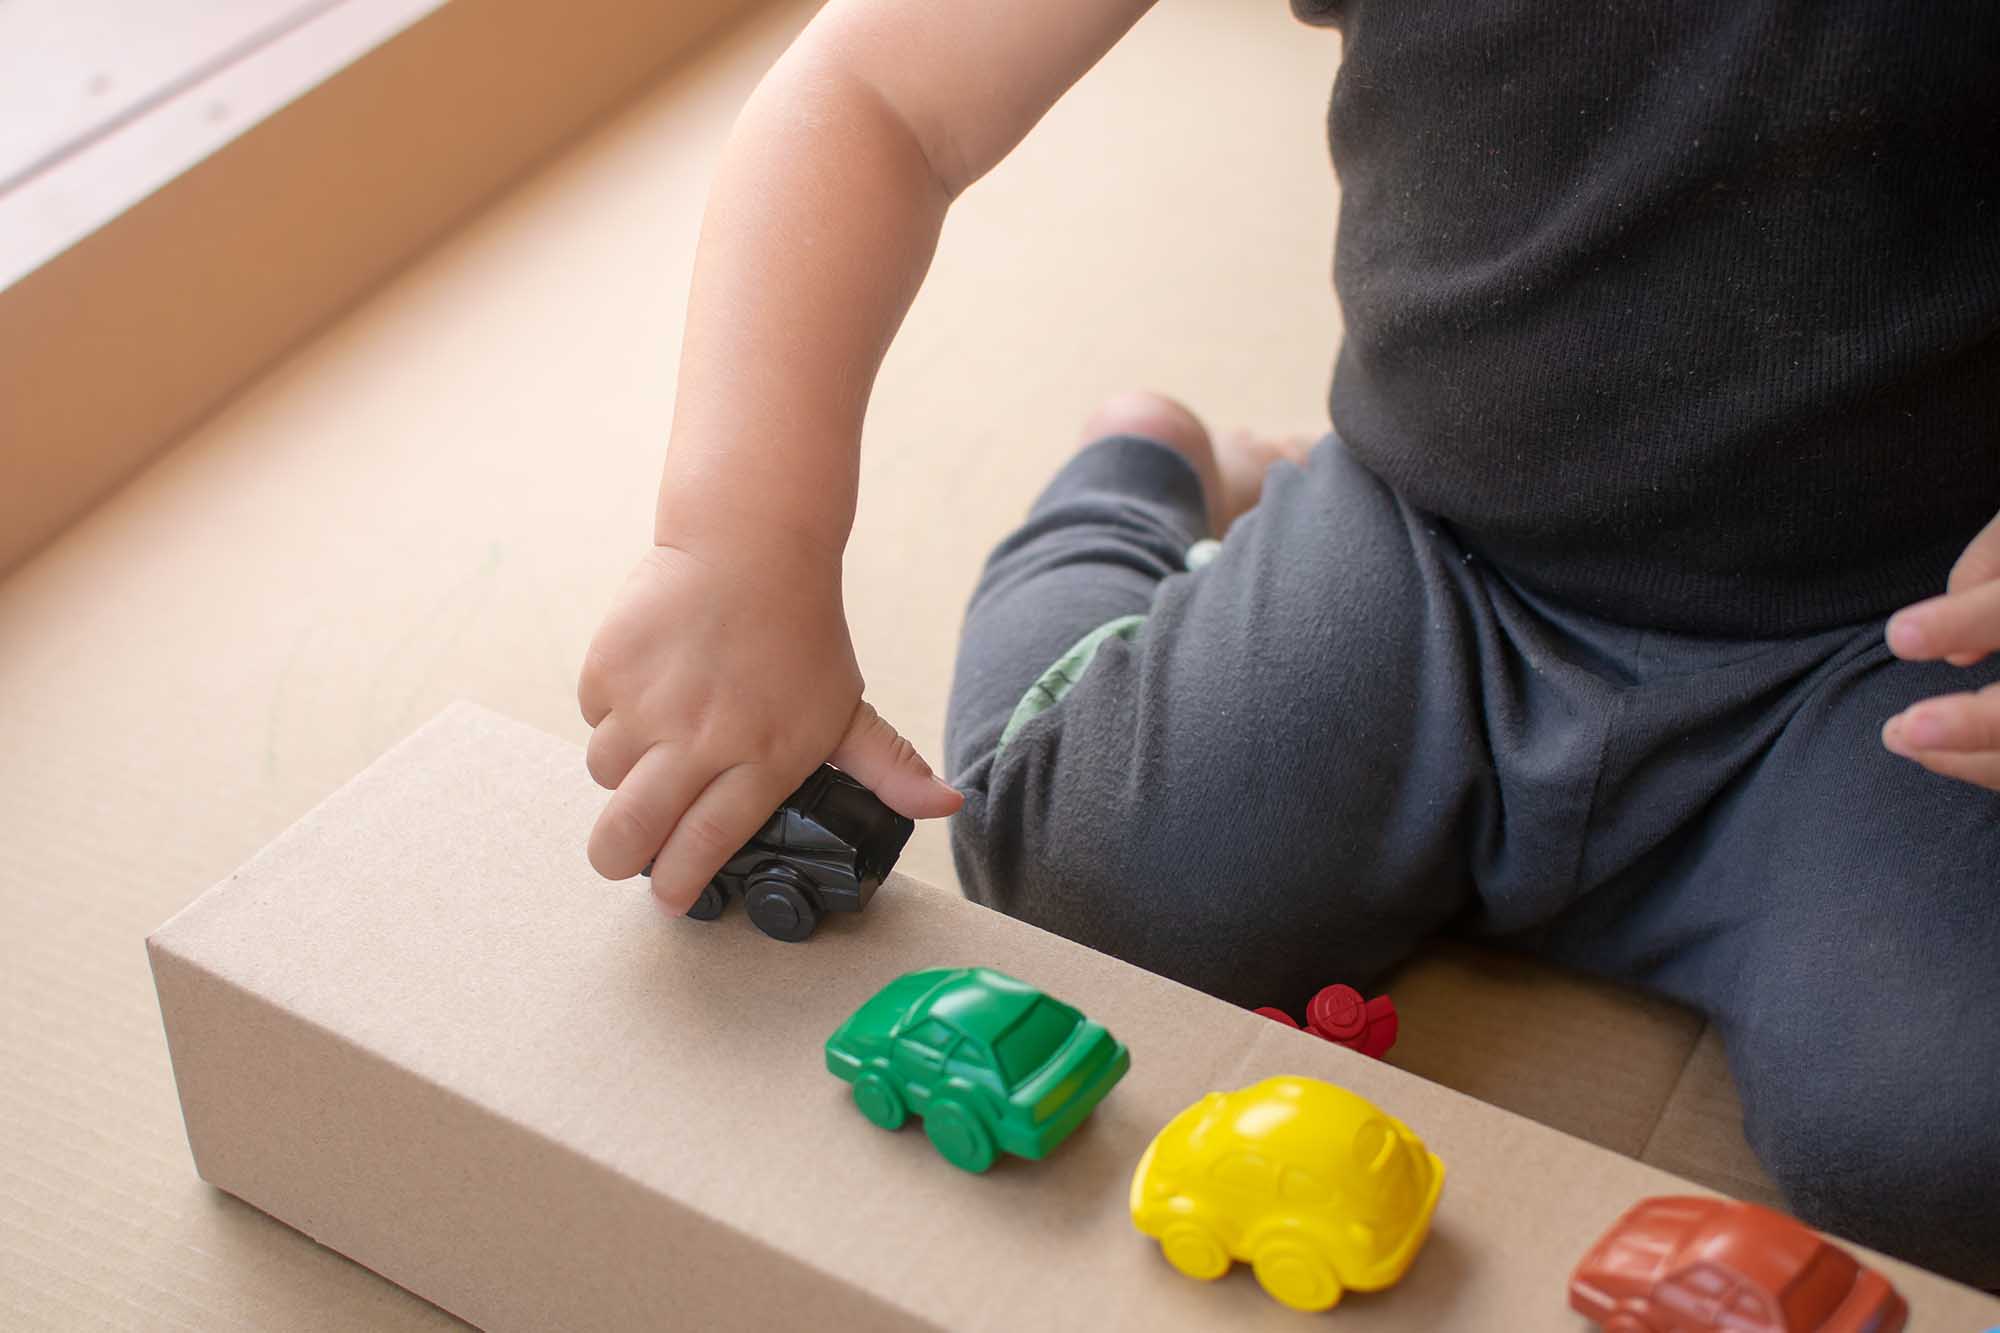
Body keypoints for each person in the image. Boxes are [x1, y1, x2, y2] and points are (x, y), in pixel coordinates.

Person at [576, 0, 2000, 1284]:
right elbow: (882, 90)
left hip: (1895, 651)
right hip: (1434, 550)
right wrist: (742, 540)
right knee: (1063, 864)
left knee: (1948, 1136)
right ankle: (1140, 474)